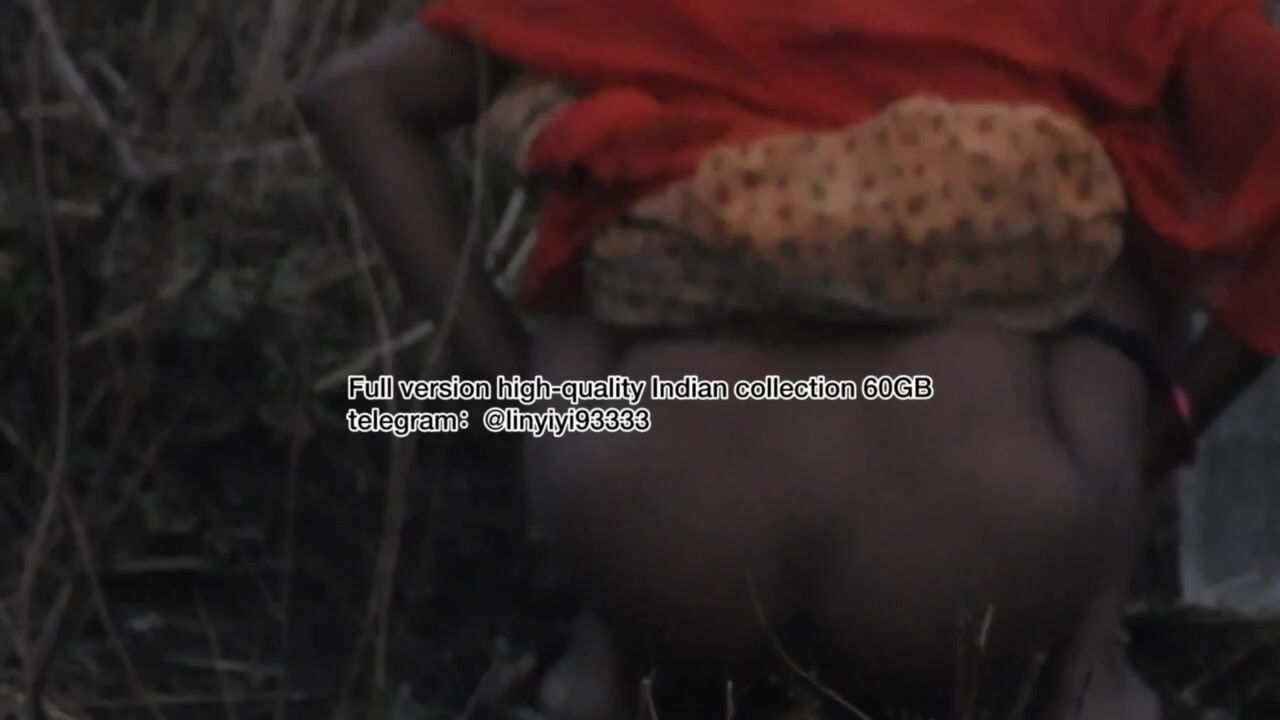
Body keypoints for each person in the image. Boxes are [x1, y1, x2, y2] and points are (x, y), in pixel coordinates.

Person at [302, 1, 1279, 717]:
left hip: (652, 523)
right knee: (1119, 211)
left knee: (602, 221)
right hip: (983, 546)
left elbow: (352, 96)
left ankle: (602, 666)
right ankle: (1090, 673)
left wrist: (527, 410)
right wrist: (1170, 429)